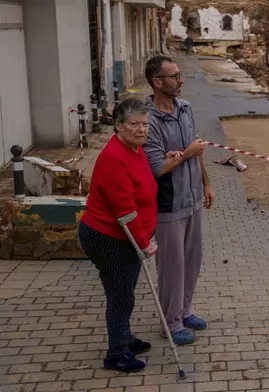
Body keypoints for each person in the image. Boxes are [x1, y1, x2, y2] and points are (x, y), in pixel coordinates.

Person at [78, 99, 160, 373]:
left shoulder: (136, 150)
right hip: (109, 237)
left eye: (145, 124)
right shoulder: (115, 157)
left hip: (126, 237)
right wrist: (144, 243)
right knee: (120, 295)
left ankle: (124, 337)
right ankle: (116, 353)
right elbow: (125, 212)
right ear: (118, 126)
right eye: (134, 124)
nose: (141, 129)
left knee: (125, 292)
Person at [143, 55, 216, 345]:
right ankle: (170, 323)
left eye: (181, 75)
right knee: (171, 266)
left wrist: (206, 183)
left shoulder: (185, 108)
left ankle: (185, 311)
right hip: (168, 206)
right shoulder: (149, 120)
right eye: (175, 77)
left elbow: (197, 149)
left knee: (192, 260)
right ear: (157, 82)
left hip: (193, 199)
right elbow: (157, 167)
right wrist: (185, 154)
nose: (181, 80)